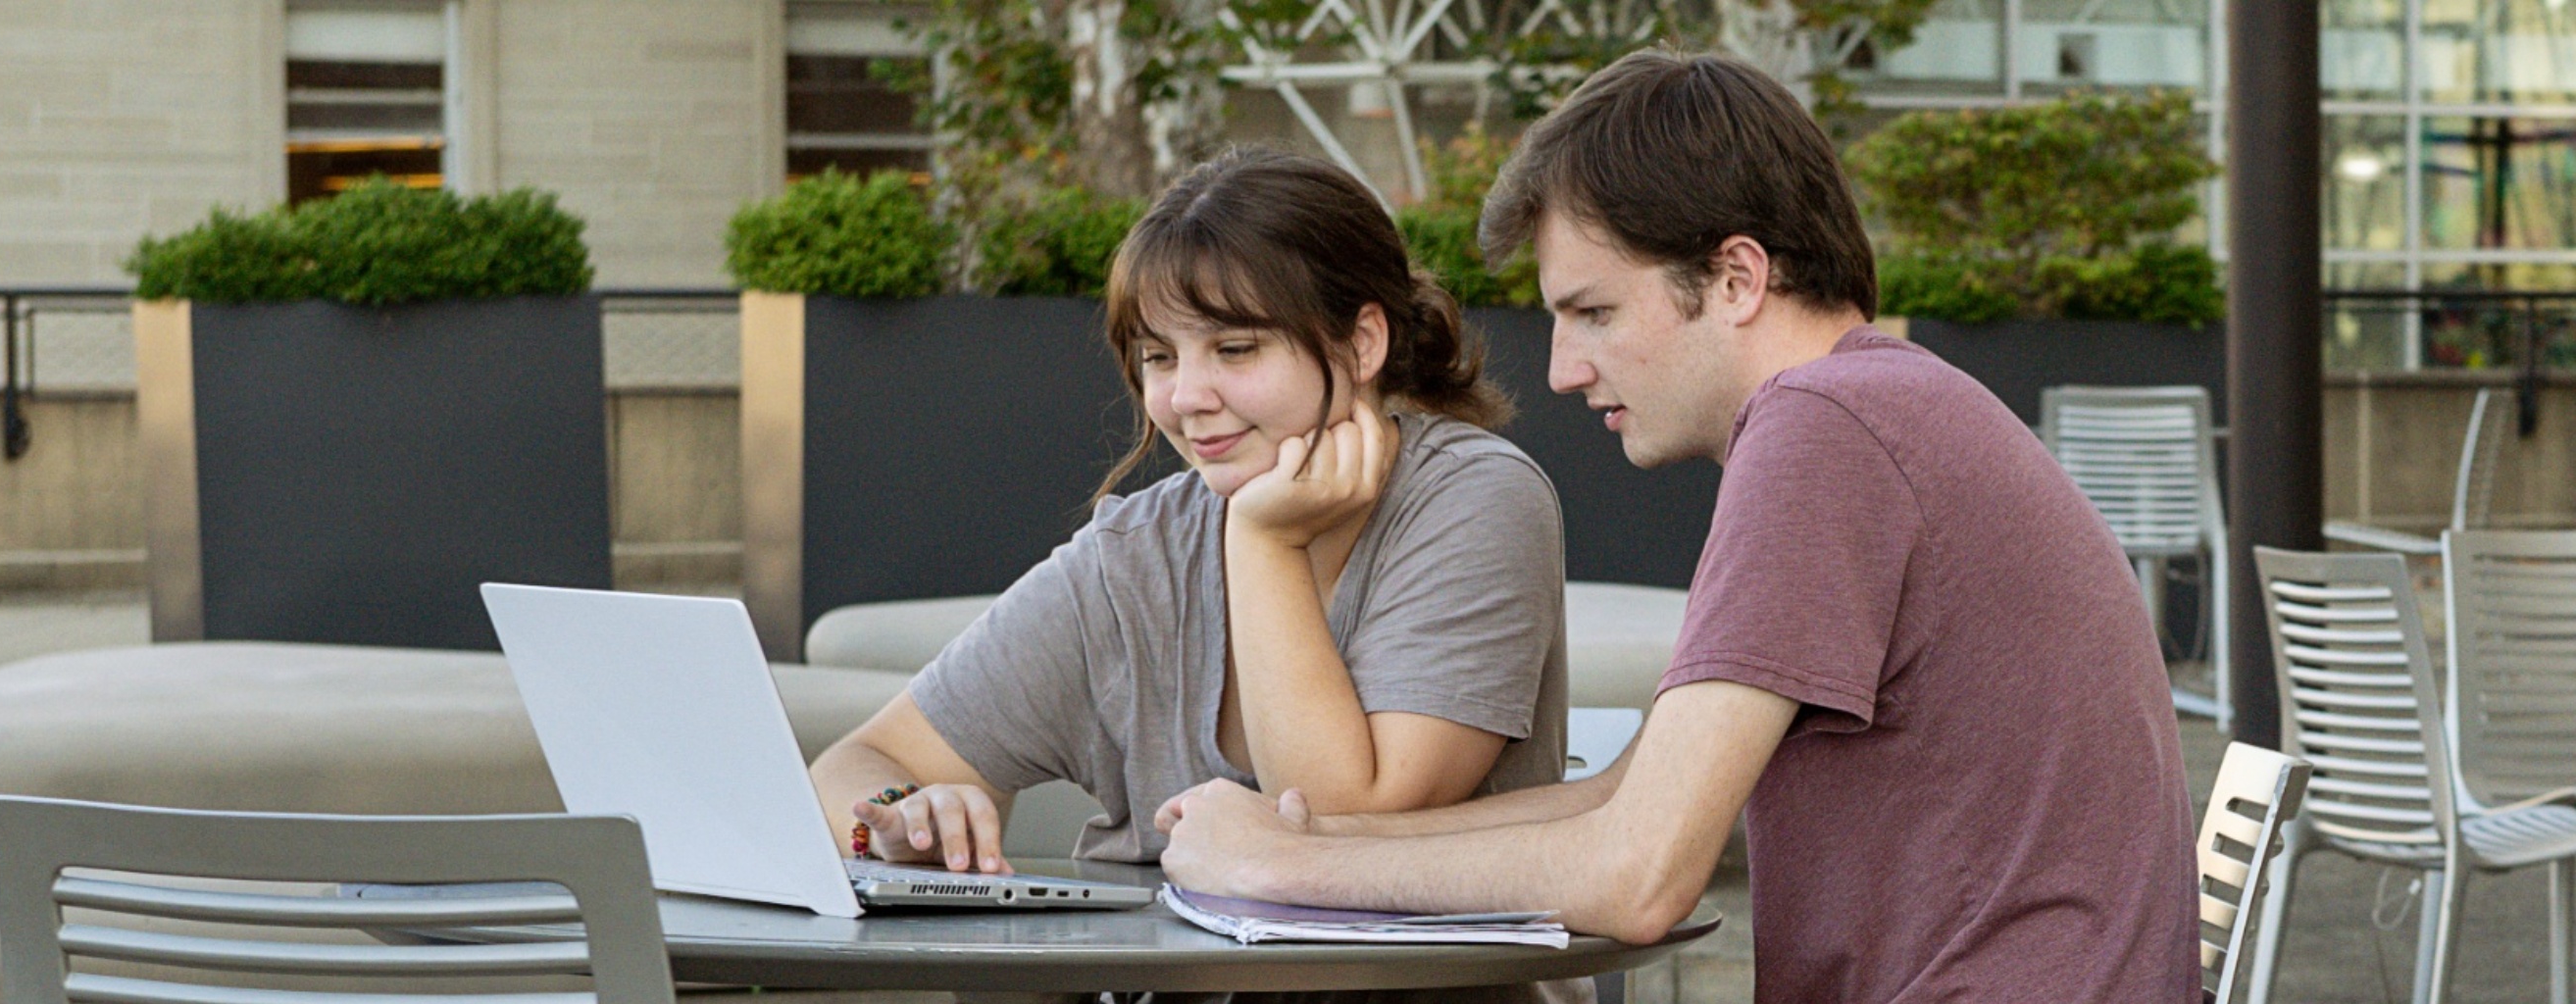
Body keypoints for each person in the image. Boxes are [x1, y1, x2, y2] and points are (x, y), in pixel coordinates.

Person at [1156, 50, 2202, 1002]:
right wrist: (1319, 832)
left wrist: (1276, 868)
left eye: (1595, 312)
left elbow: (1639, 876)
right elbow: (1625, 795)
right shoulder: (1880, 410)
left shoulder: (1825, 431)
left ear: (1738, 279)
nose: (1564, 368)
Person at [806, 147, 1569, 885]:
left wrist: (1263, 541)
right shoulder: (1137, 553)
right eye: (1159, 357)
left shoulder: (1474, 501)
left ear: (1362, 341)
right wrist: (906, 817)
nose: (1184, 398)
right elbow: (856, 765)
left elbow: (1339, 829)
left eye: (1235, 349)